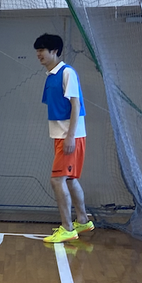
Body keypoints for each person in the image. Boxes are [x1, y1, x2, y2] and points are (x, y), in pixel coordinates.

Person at [34, 34, 94, 244]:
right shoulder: (50, 76)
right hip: (60, 136)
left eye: (42, 50)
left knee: (57, 180)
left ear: (54, 51)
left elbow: (76, 105)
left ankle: (67, 228)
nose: (39, 54)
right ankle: (83, 220)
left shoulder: (67, 72)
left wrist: (70, 136)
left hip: (69, 137)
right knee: (69, 179)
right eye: (37, 50)